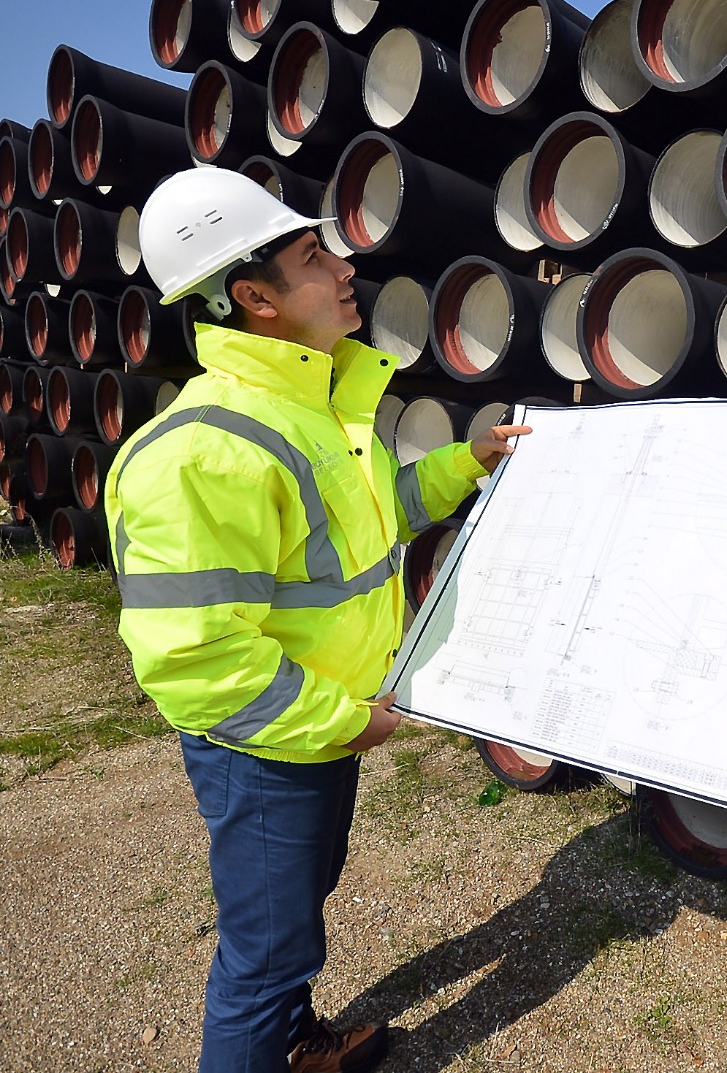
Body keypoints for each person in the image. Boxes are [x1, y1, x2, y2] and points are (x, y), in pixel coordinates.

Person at [104, 167, 529, 1073]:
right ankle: (272, 1035)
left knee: (297, 910)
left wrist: (467, 462)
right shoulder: (204, 450)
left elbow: (374, 523)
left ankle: (295, 1045)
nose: (343, 269)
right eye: (312, 255)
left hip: (321, 725)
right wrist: (350, 721)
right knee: (264, 958)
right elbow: (199, 661)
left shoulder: (315, 407)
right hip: (267, 744)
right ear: (254, 297)